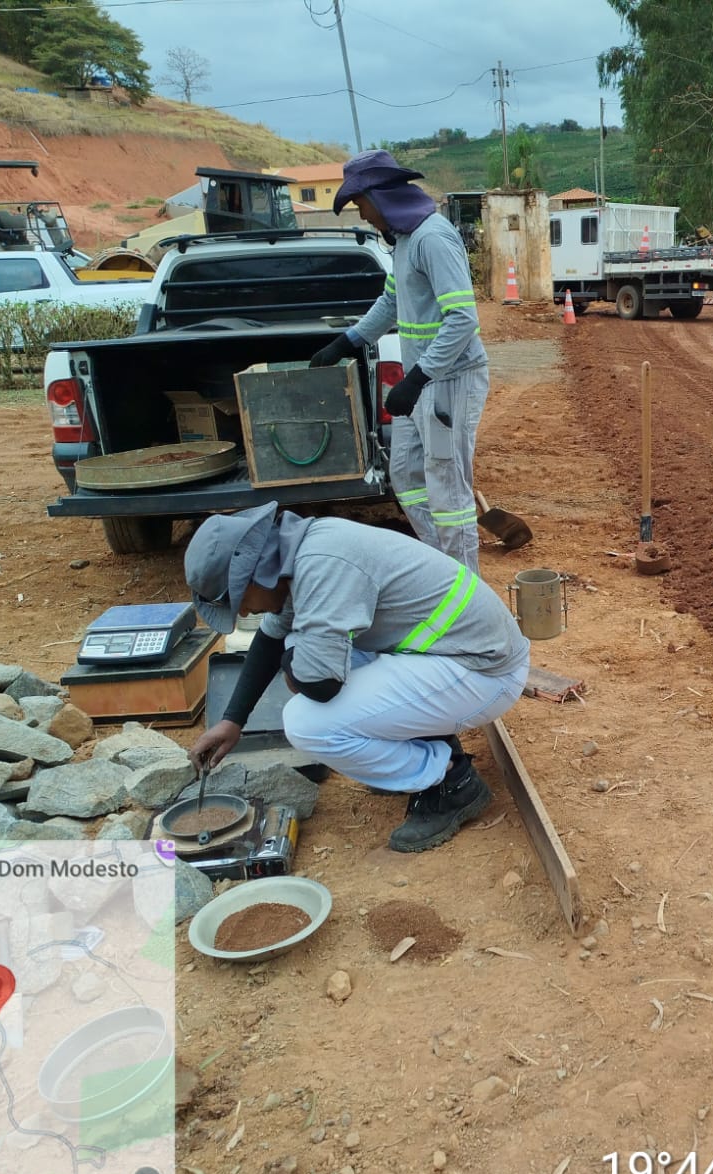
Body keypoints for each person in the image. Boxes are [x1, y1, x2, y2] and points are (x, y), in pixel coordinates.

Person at [185, 502, 530, 853]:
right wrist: (233, 720)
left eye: (238, 601)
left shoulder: (323, 568)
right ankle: (425, 746)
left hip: (483, 672)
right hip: (450, 653)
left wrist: (297, 661)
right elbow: (271, 639)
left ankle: (451, 781)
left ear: (254, 574)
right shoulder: (296, 553)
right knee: (299, 646)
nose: (243, 612)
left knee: (306, 723)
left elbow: (320, 686)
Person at [309, 149, 487, 571]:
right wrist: (348, 341)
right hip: (422, 383)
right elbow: (392, 300)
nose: (362, 215)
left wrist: (418, 377)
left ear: (380, 196)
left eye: (361, 205)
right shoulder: (406, 241)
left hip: (449, 381)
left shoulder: (433, 238)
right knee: (406, 476)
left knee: (448, 491)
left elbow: (462, 319)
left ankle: (467, 587)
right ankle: (442, 568)